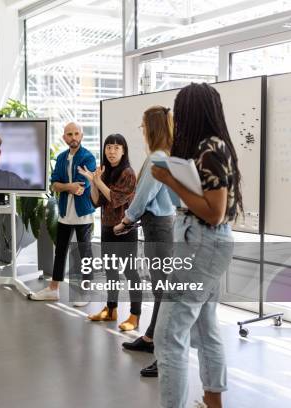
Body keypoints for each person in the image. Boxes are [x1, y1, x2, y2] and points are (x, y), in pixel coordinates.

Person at [152, 83, 240, 408]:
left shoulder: (209, 148)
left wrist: (171, 181)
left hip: (203, 242)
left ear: (191, 112)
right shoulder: (215, 145)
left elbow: (214, 213)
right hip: (208, 244)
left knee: (167, 336)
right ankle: (212, 401)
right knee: (204, 326)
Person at [115, 106, 176, 378]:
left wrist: (126, 221)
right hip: (160, 226)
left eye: (143, 125)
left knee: (163, 291)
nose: (141, 130)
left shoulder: (158, 159)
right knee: (162, 288)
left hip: (158, 228)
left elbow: (143, 197)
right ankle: (151, 338)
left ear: (152, 128)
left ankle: (163, 355)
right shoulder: (164, 156)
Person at [79, 134, 142, 330]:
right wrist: (93, 181)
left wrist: (98, 182)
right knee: (111, 271)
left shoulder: (128, 173)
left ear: (123, 151)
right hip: (107, 228)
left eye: (116, 147)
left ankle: (135, 315)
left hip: (125, 230)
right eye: (108, 147)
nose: (112, 151)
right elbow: (97, 201)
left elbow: (115, 199)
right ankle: (111, 309)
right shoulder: (105, 172)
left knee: (130, 272)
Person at [29, 122, 96, 303]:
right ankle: (53, 289)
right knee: (60, 252)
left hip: (83, 214)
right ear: (64, 137)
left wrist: (65, 186)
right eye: (69, 134)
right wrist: (68, 186)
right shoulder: (60, 158)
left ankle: (85, 291)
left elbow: (81, 187)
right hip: (65, 213)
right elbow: (54, 184)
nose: (73, 137)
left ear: (81, 136)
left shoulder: (88, 158)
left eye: (76, 134)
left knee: (85, 253)